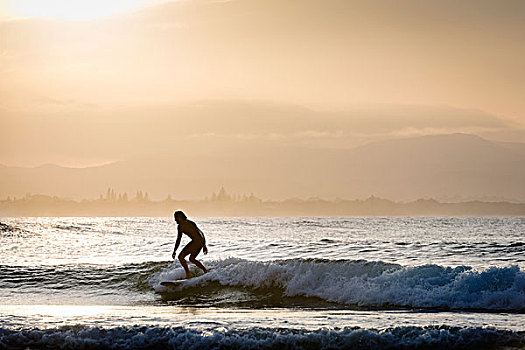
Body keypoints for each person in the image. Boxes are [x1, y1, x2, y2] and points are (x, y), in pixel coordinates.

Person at [172, 210, 208, 279]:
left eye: (176, 217)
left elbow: (178, 239)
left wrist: (174, 251)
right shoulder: (190, 222)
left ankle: (188, 275)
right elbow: (201, 233)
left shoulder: (181, 226)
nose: (175, 220)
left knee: (181, 257)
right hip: (200, 241)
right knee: (192, 259)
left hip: (196, 242)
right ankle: (205, 270)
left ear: (180, 217)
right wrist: (204, 245)